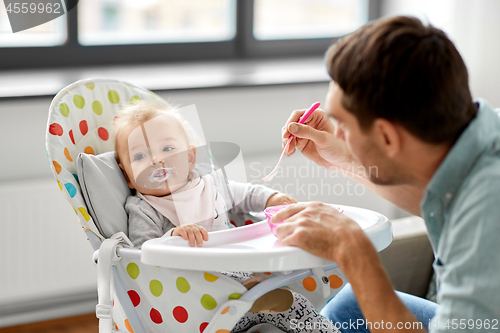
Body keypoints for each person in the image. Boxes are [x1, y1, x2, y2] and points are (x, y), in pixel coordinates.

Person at [273, 16, 500, 332]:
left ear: (387, 137)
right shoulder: (482, 141)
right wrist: (343, 159)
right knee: (348, 306)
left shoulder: (487, 215)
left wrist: (353, 251)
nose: (339, 132)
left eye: (345, 125)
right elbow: (439, 201)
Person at [114, 100, 338, 333]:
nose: (156, 161)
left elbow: (246, 194)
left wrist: (272, 198)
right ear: (127, 176)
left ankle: (252, 298)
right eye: (140, 156)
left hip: (241, 278)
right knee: (289, 304)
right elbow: (141, 260)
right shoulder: (143, 208)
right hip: (196, 299)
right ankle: (244, 297)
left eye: (168, 149)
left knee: (294, 306)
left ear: (190, 158)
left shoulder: (211, 184)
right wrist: (173, 236)